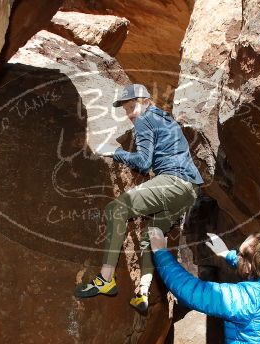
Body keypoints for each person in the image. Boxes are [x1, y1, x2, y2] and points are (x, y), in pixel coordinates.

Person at [74, 83, 204, 314]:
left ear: (146, 102)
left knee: (116, 209)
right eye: (126, 110)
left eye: (133, 106)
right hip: (190, 190)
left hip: (173, 182)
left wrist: (116, 152)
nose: (130, 114)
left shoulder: (145, 120)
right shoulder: (166, 119)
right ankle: (142, 292)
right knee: (151, 235)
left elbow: (144, 162)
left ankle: (106, 279)